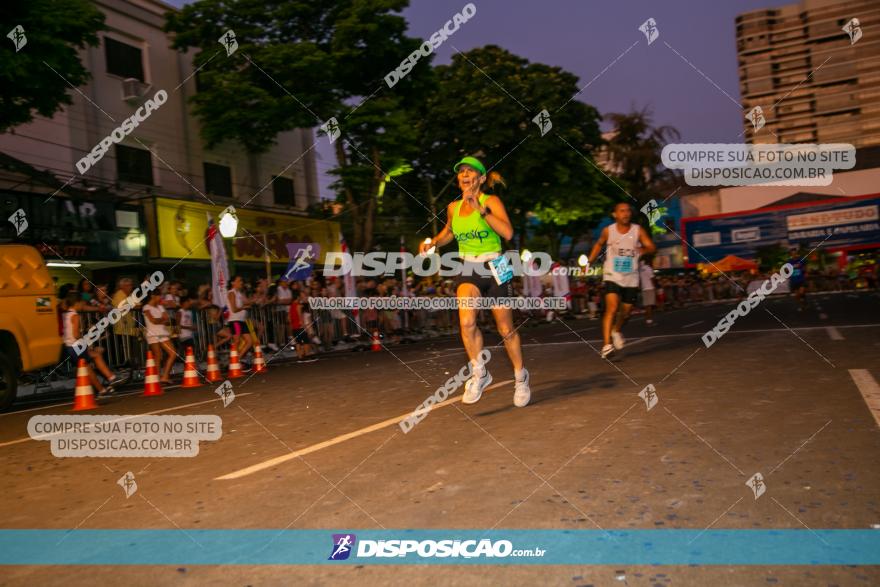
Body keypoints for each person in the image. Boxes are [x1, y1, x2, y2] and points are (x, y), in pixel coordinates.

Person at [419, 156, 530, 407]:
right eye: (461, 172)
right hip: (469, 266)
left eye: (470, 171)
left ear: (480, 178)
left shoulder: (491, 201)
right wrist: (432, 242)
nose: (464, 175)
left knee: (505, 329)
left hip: (496, 265)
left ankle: (520, 377)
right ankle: (480, 372)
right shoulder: (453, 207)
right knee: (467, 322)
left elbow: (508, 232)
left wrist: (481, 210)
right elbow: (449, 232)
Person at [587, 202, 656, 358]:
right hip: (612, 274)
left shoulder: (637, 230)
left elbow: (652, 247)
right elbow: (598, 245)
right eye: (622, 211)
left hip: (631, 276)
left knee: (626, 313)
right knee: (611, 308)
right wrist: (589, 261)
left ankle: (616, 330)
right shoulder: (608, 231)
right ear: (615, 214)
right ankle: (606, 345)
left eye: (628, 211)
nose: (626, 213)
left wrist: (643, 249)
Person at [62, 293, 125, 396]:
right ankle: (110, 379)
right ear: (77, 303)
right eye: (81, 303)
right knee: (91, 362)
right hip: (75, 346)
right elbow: (76, 334)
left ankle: (104, 387)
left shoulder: (65, 314)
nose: (82, 305)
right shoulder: (75, 315)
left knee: (91, 363)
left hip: (69, 347)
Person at [143, 290, 176, 384]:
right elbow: (153, 320)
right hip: (153, 334)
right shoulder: (146, 307)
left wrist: (160, 320)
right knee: (158, 357)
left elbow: (166, 319)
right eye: (159, 296)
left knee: (172, 354)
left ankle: (164, 376)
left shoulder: (160, 307)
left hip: (162, 333)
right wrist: (162, 320)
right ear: (153, 296)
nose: (160, 299)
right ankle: (157, 378)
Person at [227, 275, 254, 368]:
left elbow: (248, 302)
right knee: (237, 341)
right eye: (239, 281)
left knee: (250, 341)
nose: (241, 282)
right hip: (235, 321)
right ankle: (233, 361)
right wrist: (244, 307)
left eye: (241, 281)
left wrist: (254, 298)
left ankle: (237, 359)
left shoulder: (240, 293)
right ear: (233, 283)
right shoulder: (231, 293)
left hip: (241, 321)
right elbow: (234, 309)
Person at [289, 290, 316, 360]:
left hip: (294, 327)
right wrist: (304, 326)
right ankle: (307, 354)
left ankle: (300, 356)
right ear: (298, 297)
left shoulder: (291, 306)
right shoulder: (298, 306)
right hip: (299, 326)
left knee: (298, 342)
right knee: (306, 341)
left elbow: (289, 318)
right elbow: (300, 316)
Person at [639, 256, 657, 326]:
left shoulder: (640, 269)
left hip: (644, 288)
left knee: (647, 306)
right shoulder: (648, 268)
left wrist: (640, 287)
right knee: (649, 306)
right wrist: (654, 287)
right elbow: (652, 278)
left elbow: (640, 280)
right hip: (649, 288)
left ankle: (647, 320)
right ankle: (649, 321)